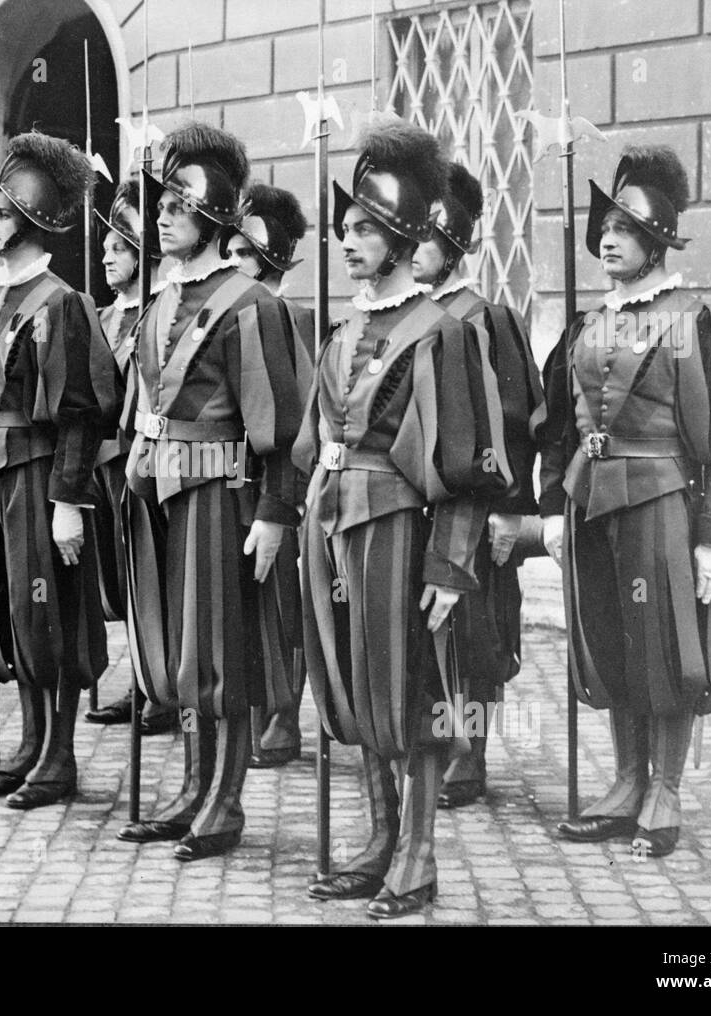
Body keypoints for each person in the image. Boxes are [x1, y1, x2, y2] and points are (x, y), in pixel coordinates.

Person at [538, 146, 711, 858]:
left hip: (665, 504)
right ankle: (624, 783)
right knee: (609, 640)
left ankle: (665, 790)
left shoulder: (700, 320)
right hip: (591, 502)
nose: (607, 239)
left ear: (658, 239)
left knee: (666, 644)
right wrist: (553, 505)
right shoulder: (585, 326)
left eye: (624, 228)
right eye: (603, 226)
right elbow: (556, 426)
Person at [300, 123, 513, 918]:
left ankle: (418, 857)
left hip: (404, 532)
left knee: (417, 694)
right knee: (357, 691)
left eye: (363, 229)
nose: (347, 241)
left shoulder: (444, 334)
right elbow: (313, 441)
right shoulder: (342, 332)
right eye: (347, 228)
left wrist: (451, 567)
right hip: (334, 533)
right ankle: (380, 836)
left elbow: (466, 466)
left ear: (400, 239)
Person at [116, 123, 306, 861]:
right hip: (162, 493)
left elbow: (280, 428)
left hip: (223, 496)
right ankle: (195, 787)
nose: (161, 217)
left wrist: (274, 514)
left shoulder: (250, 304)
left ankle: (224, 803)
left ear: (216, 216)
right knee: (181, 654)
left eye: (177, 206)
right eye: (160, 204)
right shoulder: (162, 302)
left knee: (220, 655)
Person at [0, 131, 119, 809]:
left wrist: (69, 501)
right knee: (11, 611)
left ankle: (58, 757)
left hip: (38, 473)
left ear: (31, 221)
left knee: (46, 611)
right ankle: (27, 745)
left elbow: (79, 411)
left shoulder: (61, 303)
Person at [411, 161, 545, 808]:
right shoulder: (405, 315)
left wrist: (508, 513)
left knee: (476, 630)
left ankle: (471, 750)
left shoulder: (488, 319)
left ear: (455, 242)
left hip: (478, 507)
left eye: (426, 238)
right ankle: (430, 737)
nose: (414, 250)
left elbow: (516, 424)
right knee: (425, 624)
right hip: (415, 502)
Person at [83, 179, 179, 737]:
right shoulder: (99, 315)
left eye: (119, 247)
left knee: (151, 576)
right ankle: (140, 676)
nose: (106, 257)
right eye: (105, 247)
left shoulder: (158, 311)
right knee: (118, 580)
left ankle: (160, 688)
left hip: (141, 464)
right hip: (102, 464)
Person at [224, 182, 315, 770]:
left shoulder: (292, 317)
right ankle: (258, 704)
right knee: (245, 600)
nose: (229, 265)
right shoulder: (229, 313)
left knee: (284, 598)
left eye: (241, 256)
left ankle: (285, 711)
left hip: (280, 479)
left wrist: (282, 499)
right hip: (229, 474)